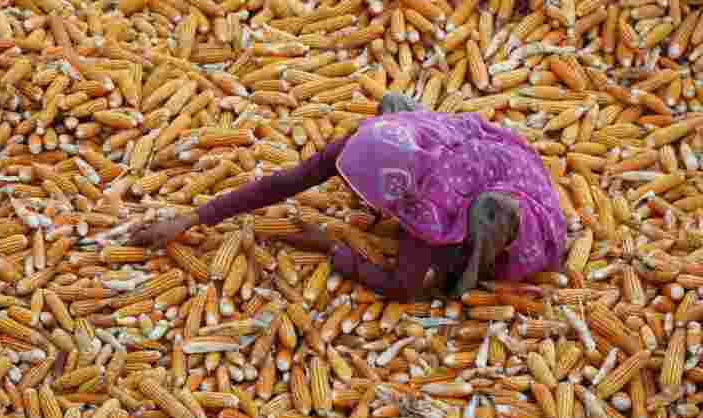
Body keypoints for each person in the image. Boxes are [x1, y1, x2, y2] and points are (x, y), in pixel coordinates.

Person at [130, 93, 567, 301]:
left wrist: (330, 248)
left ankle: (487, 239)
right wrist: (192, 218)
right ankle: (412, 124)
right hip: (458, 148)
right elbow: (285, 182)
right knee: (397, 114)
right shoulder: (365, 142)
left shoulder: (425, 206)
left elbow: (403, 289)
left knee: (448, 264)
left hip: (512, 186)